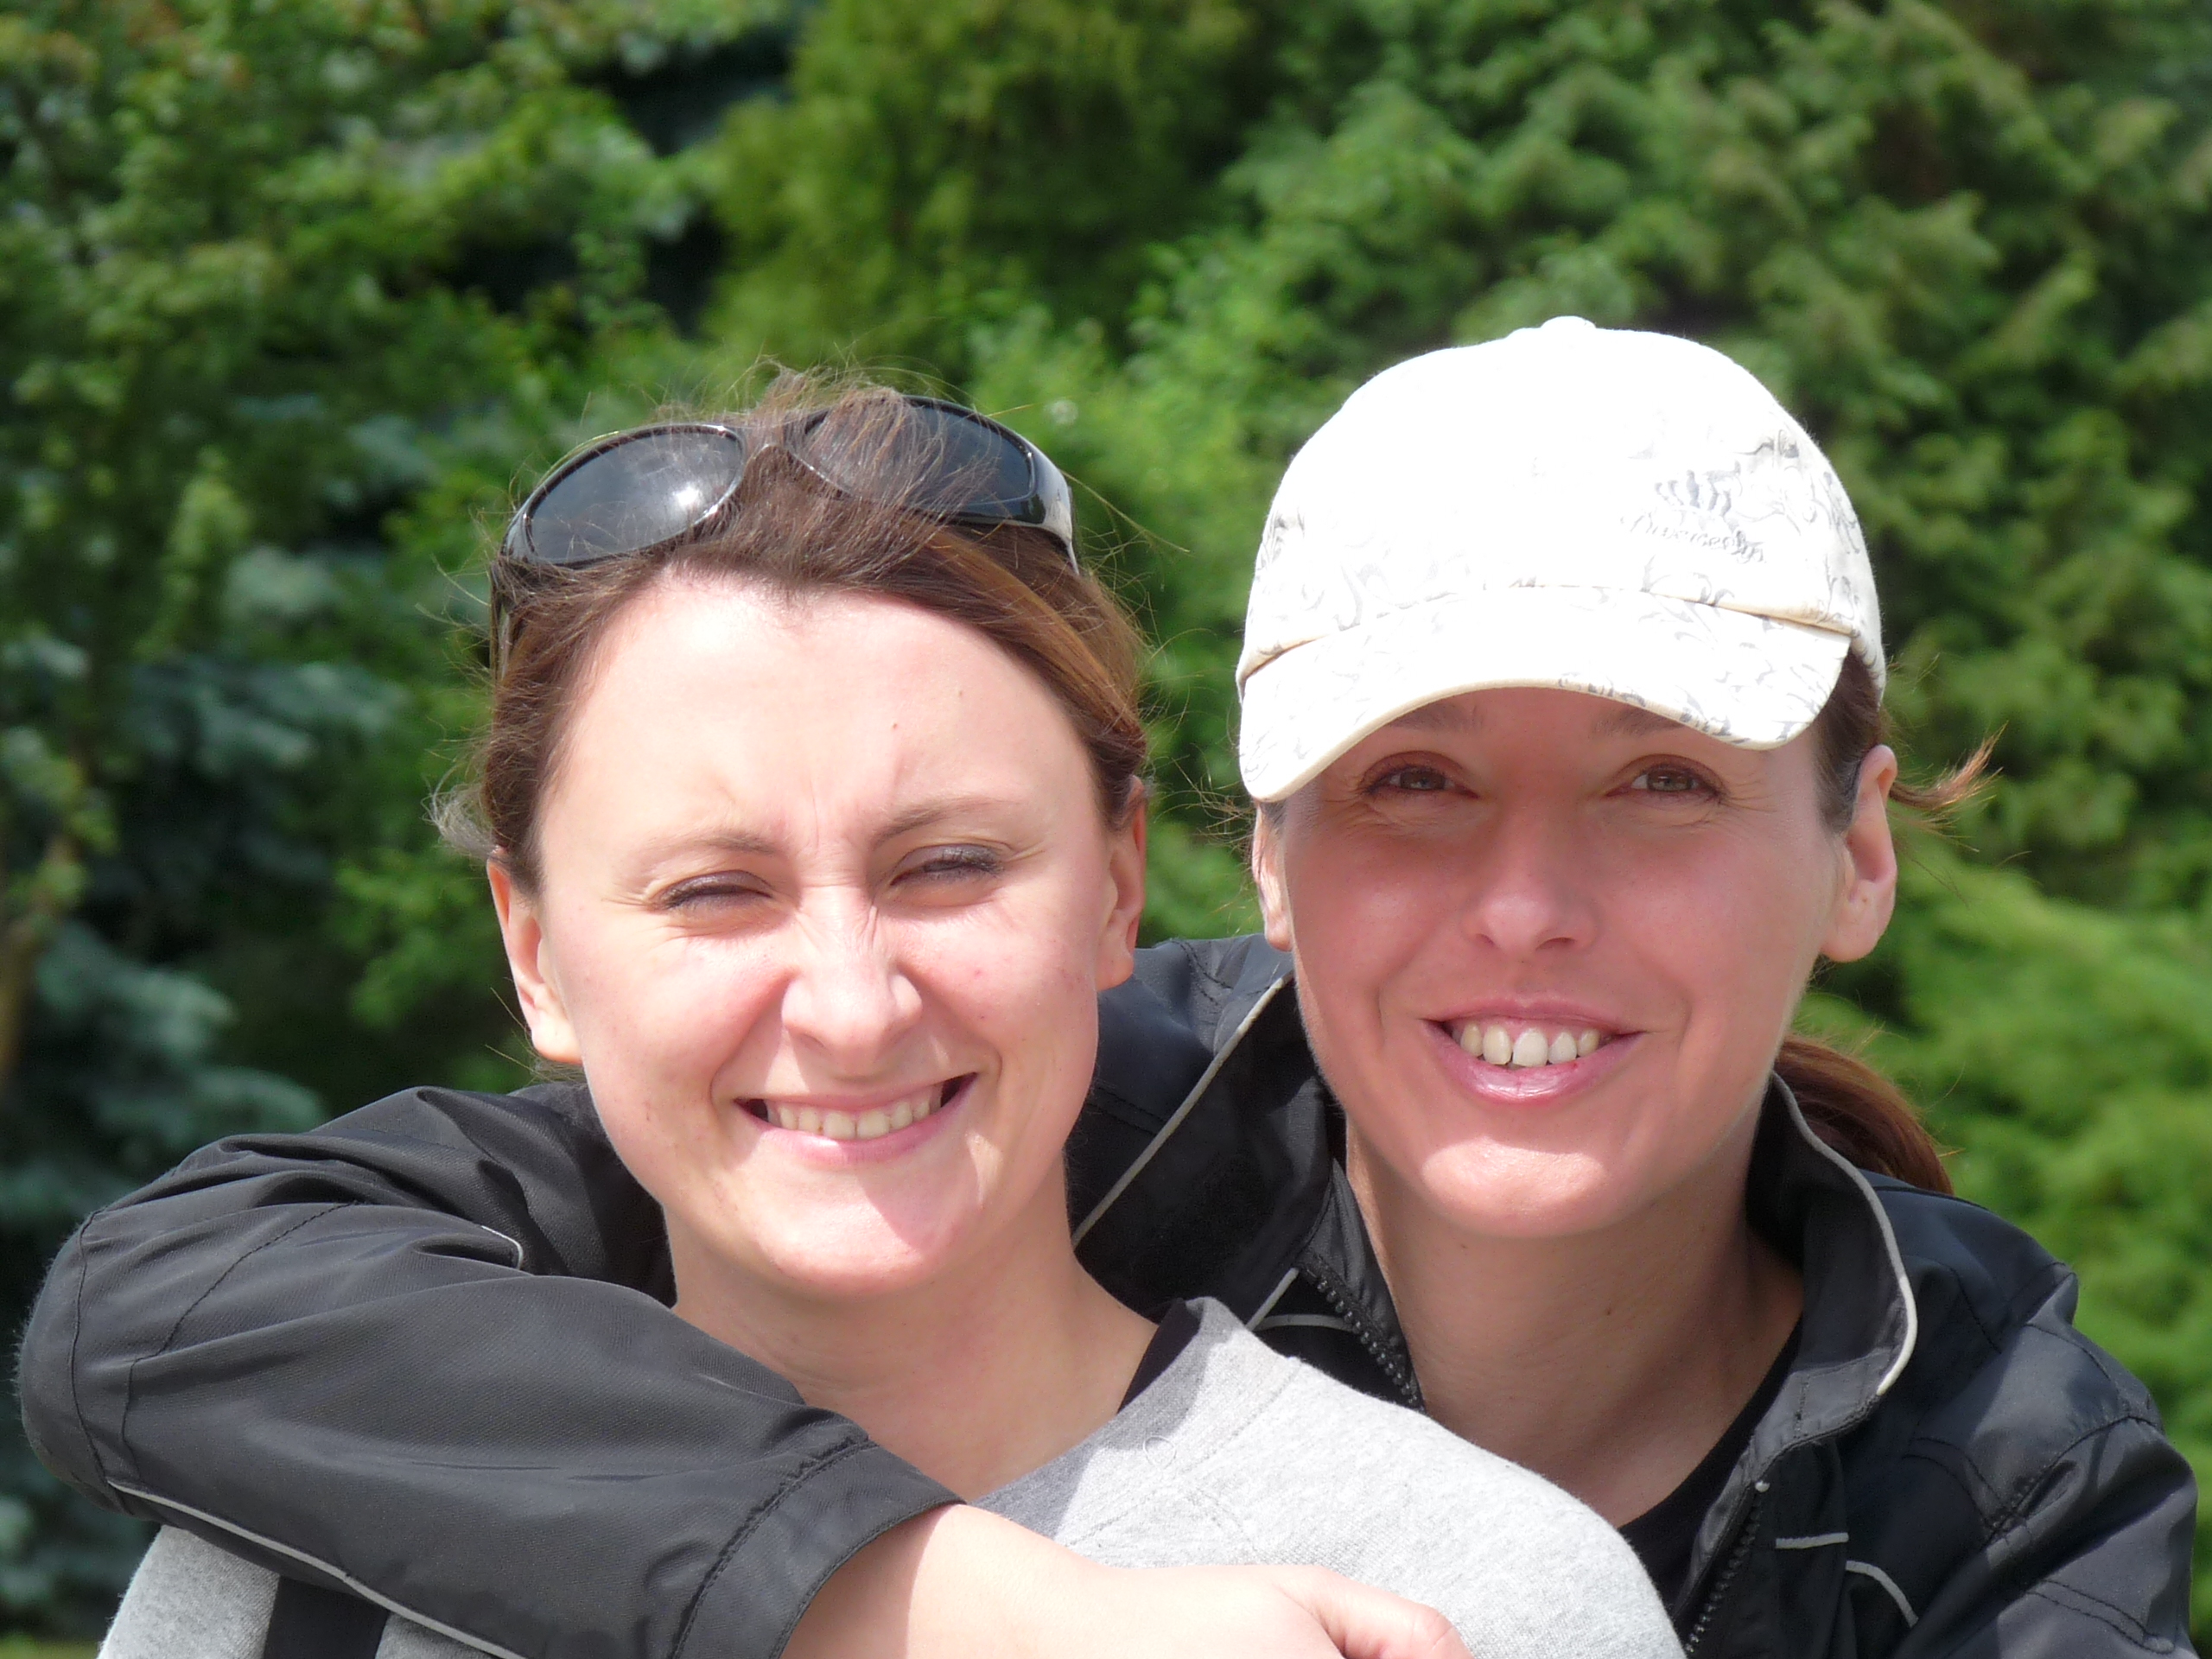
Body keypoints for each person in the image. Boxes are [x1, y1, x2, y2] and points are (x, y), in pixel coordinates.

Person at [27, 321, 2196, 1659]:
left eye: (1660, 783)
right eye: (1412, 783)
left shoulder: (2004, 1495)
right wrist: (935, 1593)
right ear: (1254, 860)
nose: (1525, 907)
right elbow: (181, 1294)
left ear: (1858, 847)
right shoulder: (1054, 1101)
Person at [86, 381, 1675, 1659]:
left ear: (1117, 886)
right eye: (716, 889)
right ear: (536, 953)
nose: (851, 1006)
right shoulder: (306, 1575)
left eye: (949, 866)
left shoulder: (1470, 1601)